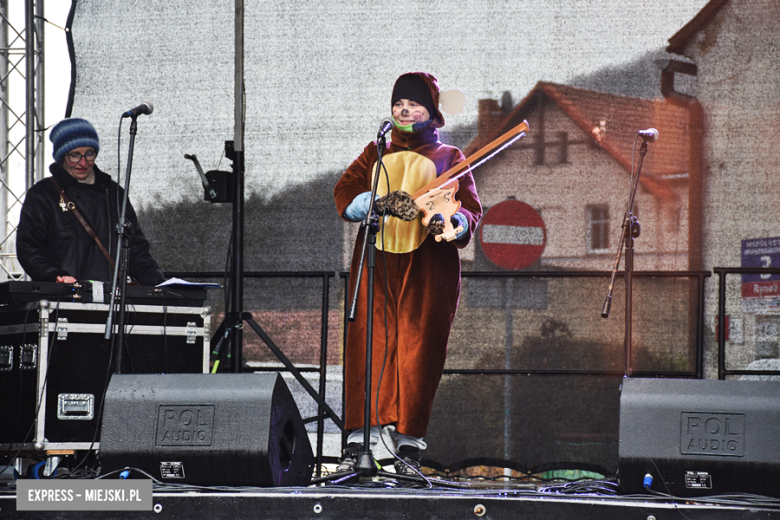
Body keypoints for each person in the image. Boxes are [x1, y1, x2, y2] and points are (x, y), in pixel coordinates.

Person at [333, 72, 482, 476]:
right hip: (377, 262)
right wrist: (376, 203)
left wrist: (450, 222)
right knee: (367, 347)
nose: (404, 110)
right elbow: (345, 193)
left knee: (419, 352)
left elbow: (469, 210)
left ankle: (408, 450)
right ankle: (356, 444)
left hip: (427, 267)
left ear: (431, 112)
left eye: (414, 104)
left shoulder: (450, 156)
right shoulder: (375, 152)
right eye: (399, 103)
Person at [17, 117, 164, 286]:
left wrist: (158, 283)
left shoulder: (115, 193)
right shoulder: (43, 194)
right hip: (63, 298)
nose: (83, 162)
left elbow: (136, 250)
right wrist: (55, 275)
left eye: (90, 153)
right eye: (75, 155)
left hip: (112, 301)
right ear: (61, 156)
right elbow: (28, 247)